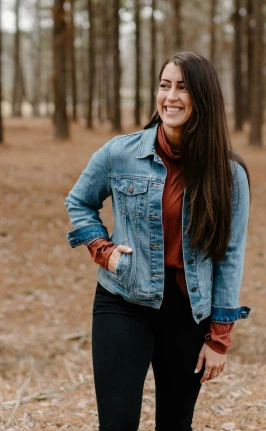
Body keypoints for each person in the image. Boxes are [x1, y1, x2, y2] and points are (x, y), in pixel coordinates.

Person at [64, 52, 252, 430]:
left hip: (187, 310)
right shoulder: (121, 153)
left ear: (204, 98)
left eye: (183, 88)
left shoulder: (228, 174)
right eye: (165, 85)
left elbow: (229, 256)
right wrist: (103, 251)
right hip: (123, 302)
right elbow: (79, 202)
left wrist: (218, 338)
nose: (171, 96)